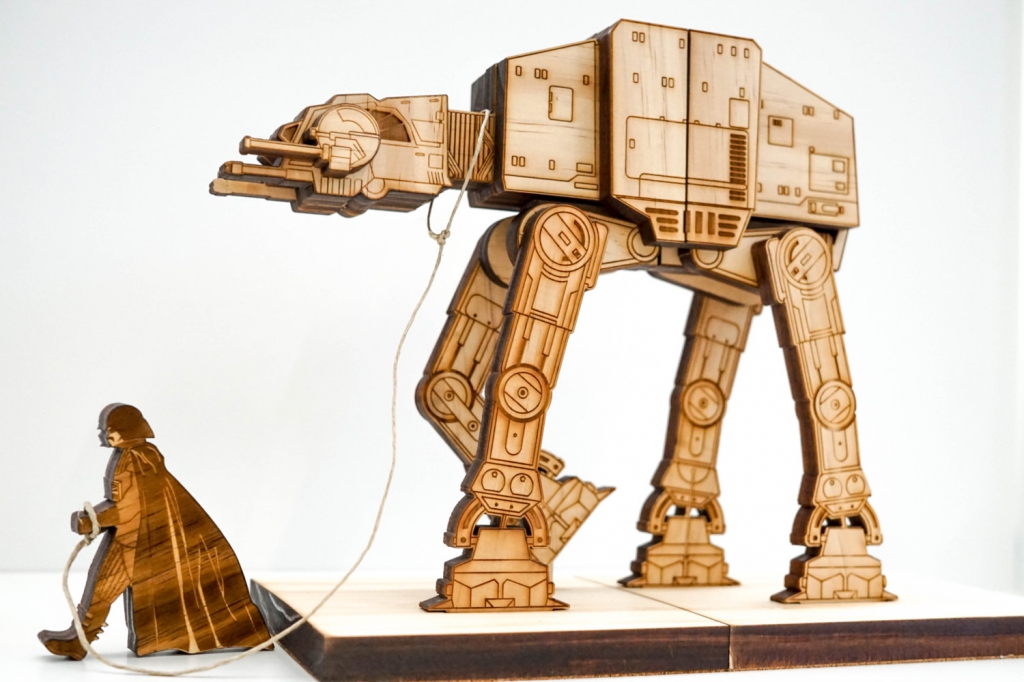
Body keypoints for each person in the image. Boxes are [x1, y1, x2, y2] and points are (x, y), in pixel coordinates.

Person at [38, 404, 270, 659]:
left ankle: (79, 641)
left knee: (103, 589)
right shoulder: (128, 457)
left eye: (109, 429)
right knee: (100, 589)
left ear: (127, 429)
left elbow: (130, 508)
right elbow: (124, 505)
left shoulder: (139, 459)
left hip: (139, 542)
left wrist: (93, 521)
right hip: (131, 537)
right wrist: (95, 518)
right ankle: (79, 639)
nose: (103, 435)